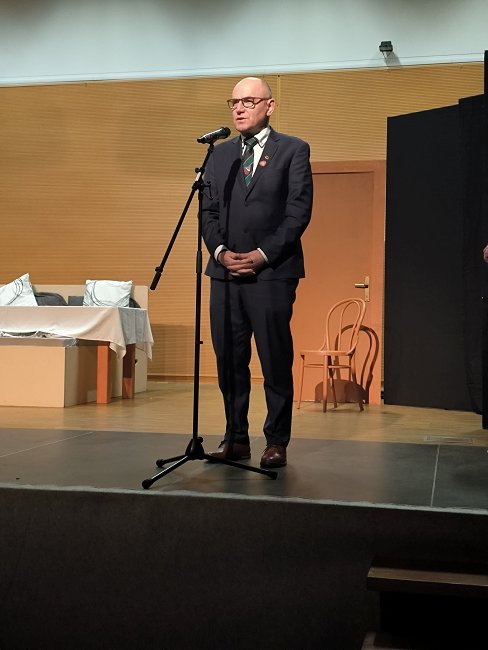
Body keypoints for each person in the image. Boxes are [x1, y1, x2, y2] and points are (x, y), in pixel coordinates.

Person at [201, 76, 313, 468]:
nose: (239, 108)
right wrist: (220, 252)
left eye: (248, 101)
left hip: (271, 273)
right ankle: (235, 438)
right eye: (234, 102)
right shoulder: (219, 155)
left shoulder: (293, 150)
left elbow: (298, 212)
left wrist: (262, 255)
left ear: (270, 105)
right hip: (225, 274)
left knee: (274, 358)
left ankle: (276, 440)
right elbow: (207, 212)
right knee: (229, 360)